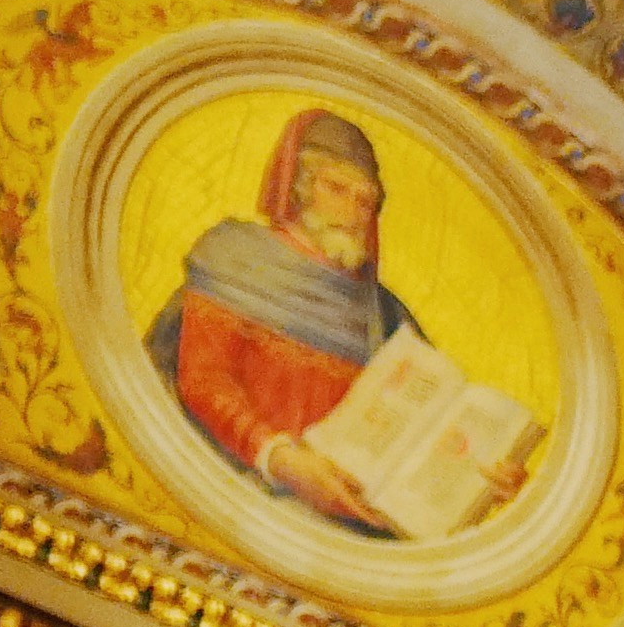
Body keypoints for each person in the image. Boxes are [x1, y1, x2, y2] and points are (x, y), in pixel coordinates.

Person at [145, 107, 471, 535]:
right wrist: (282, 461)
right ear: (298, 186)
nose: (352, 211)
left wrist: (478, 471)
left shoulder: (386, 314)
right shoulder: (236, 258)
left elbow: (431, 424)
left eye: (365, 201)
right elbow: (204, 380)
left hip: (351, 525)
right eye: (336, 188)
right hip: (237, 497)